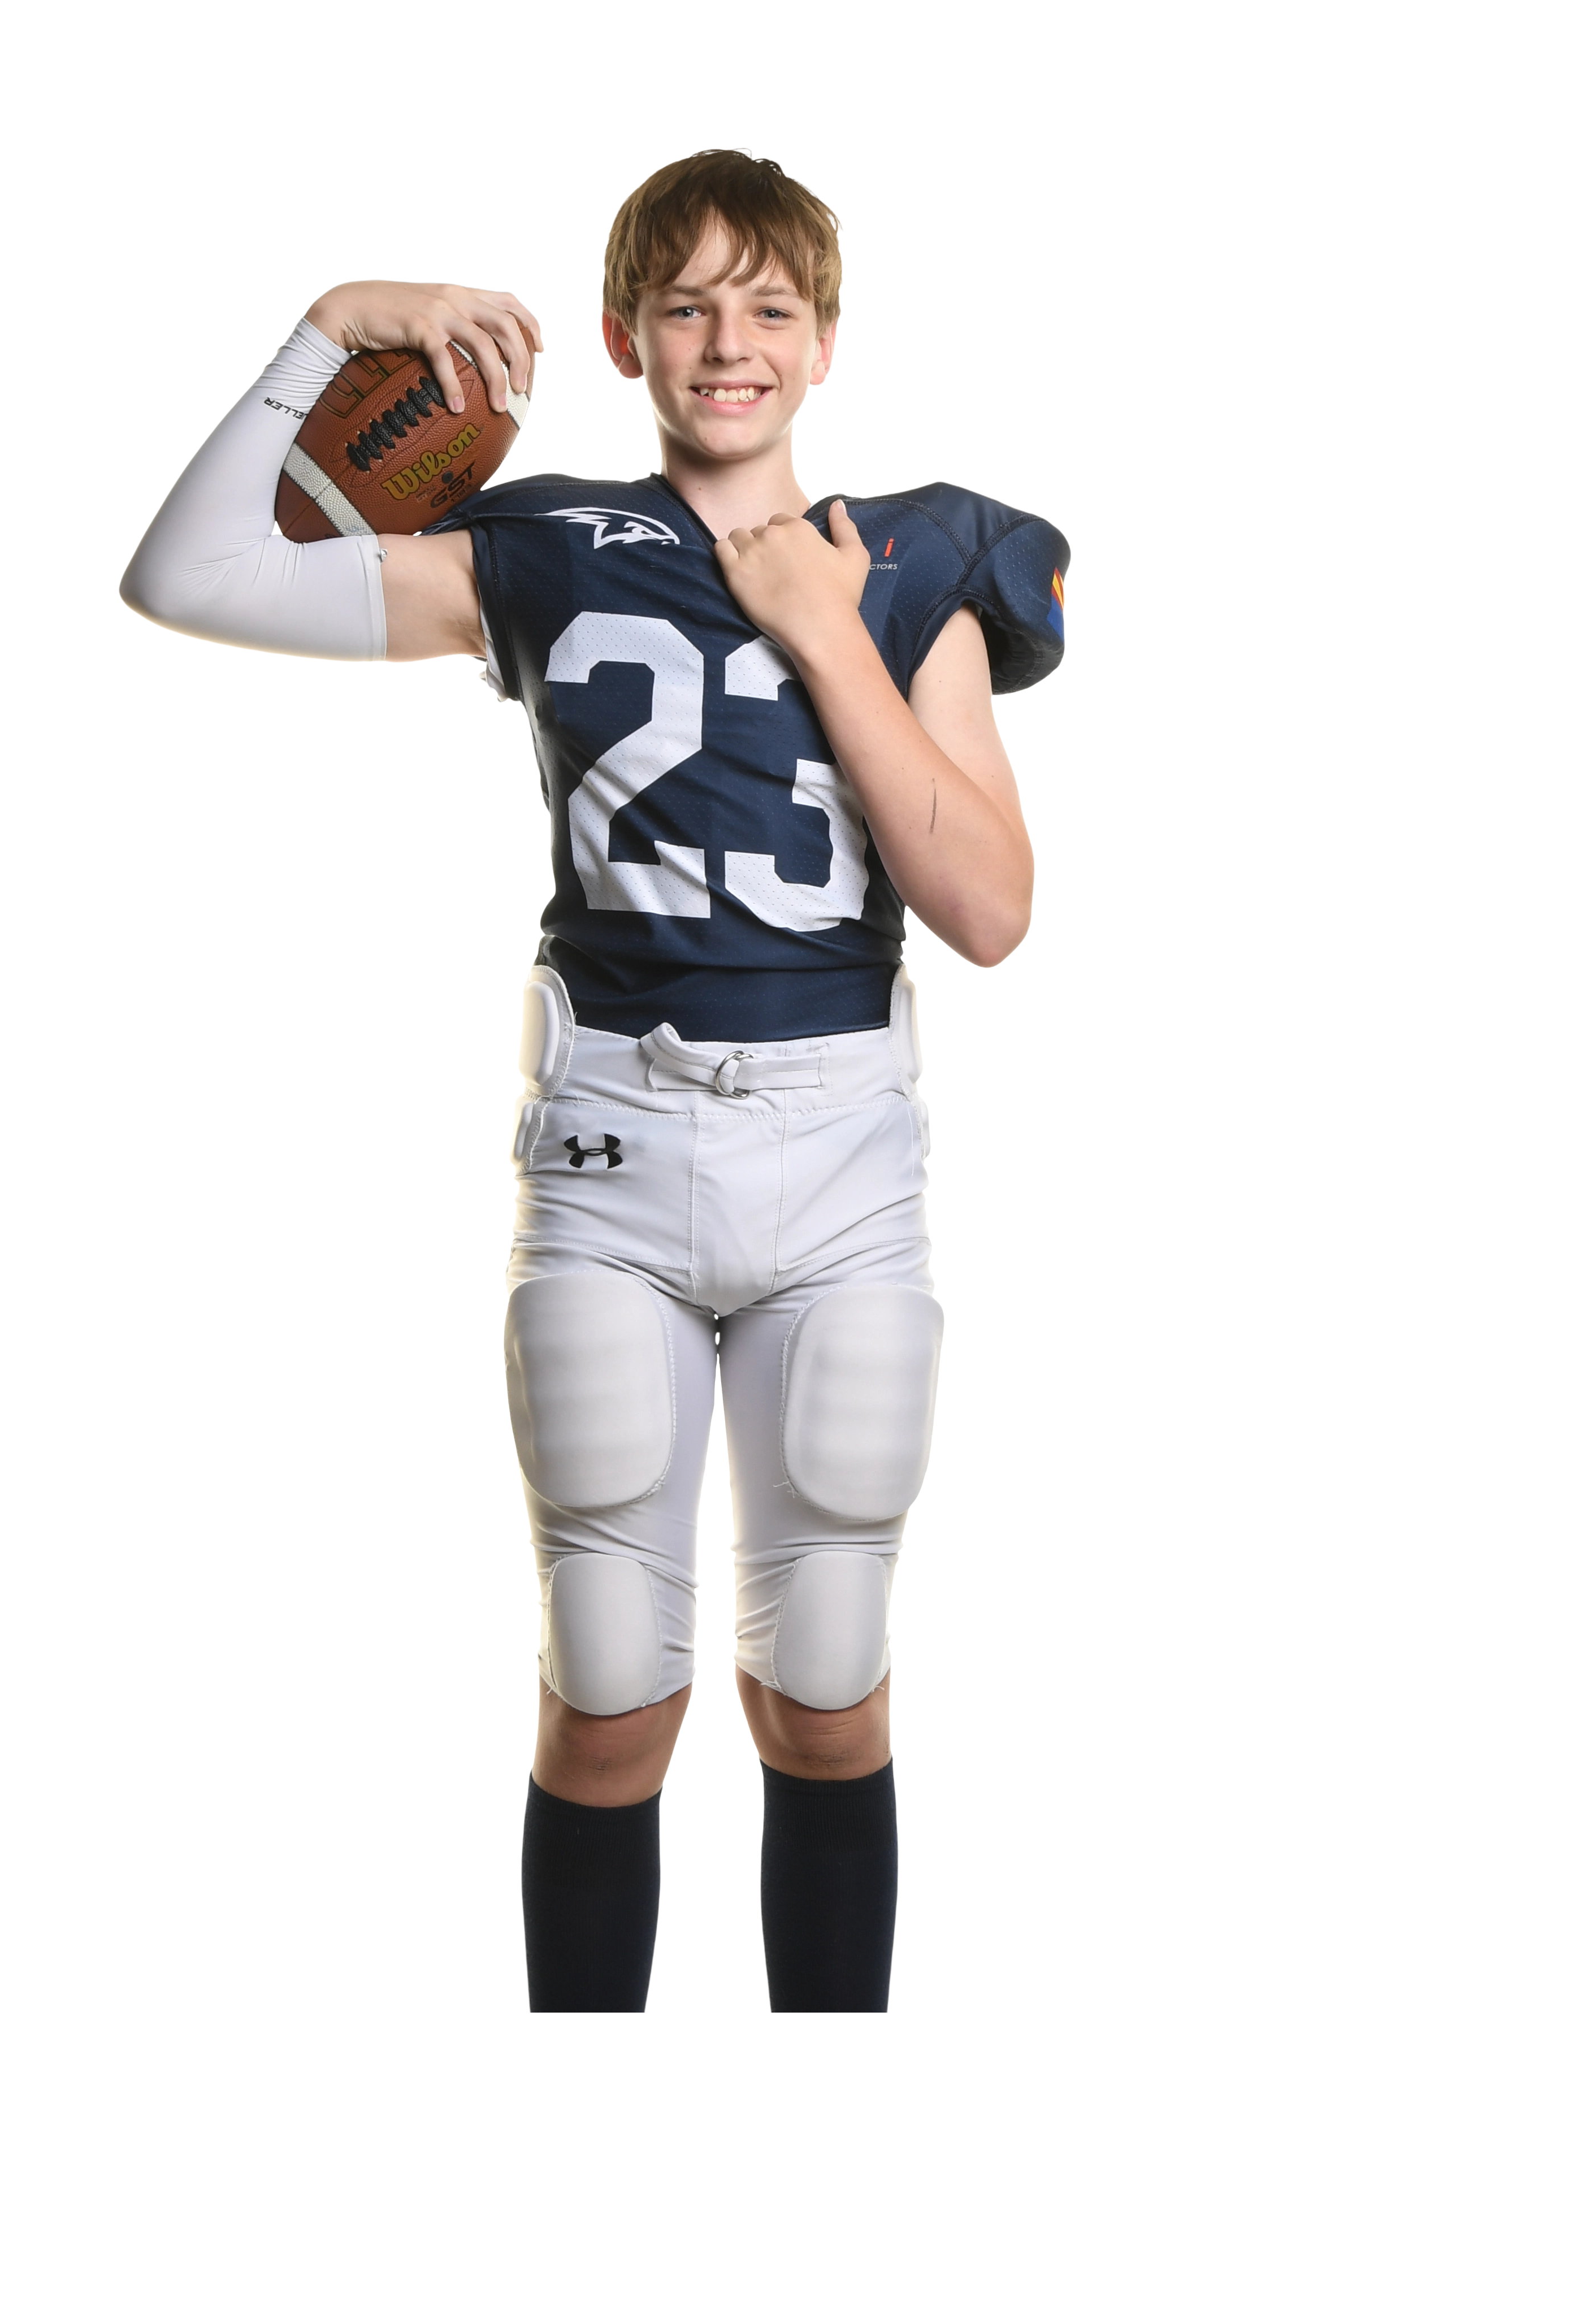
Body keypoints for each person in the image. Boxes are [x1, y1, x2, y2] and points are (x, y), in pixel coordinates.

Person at [121, 147, 1068, 2011]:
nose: (730, 344)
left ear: (826, 342)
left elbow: (989, 908)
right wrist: (328, 330)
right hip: (611, 1158)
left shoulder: (922, 563)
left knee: (829, 1689)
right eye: (687, 306)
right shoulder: (546, 545)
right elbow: (186, 574)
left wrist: (822, 625)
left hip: (842, 1164)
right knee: (612, 1696)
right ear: (628, 336)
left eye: (770, 307)